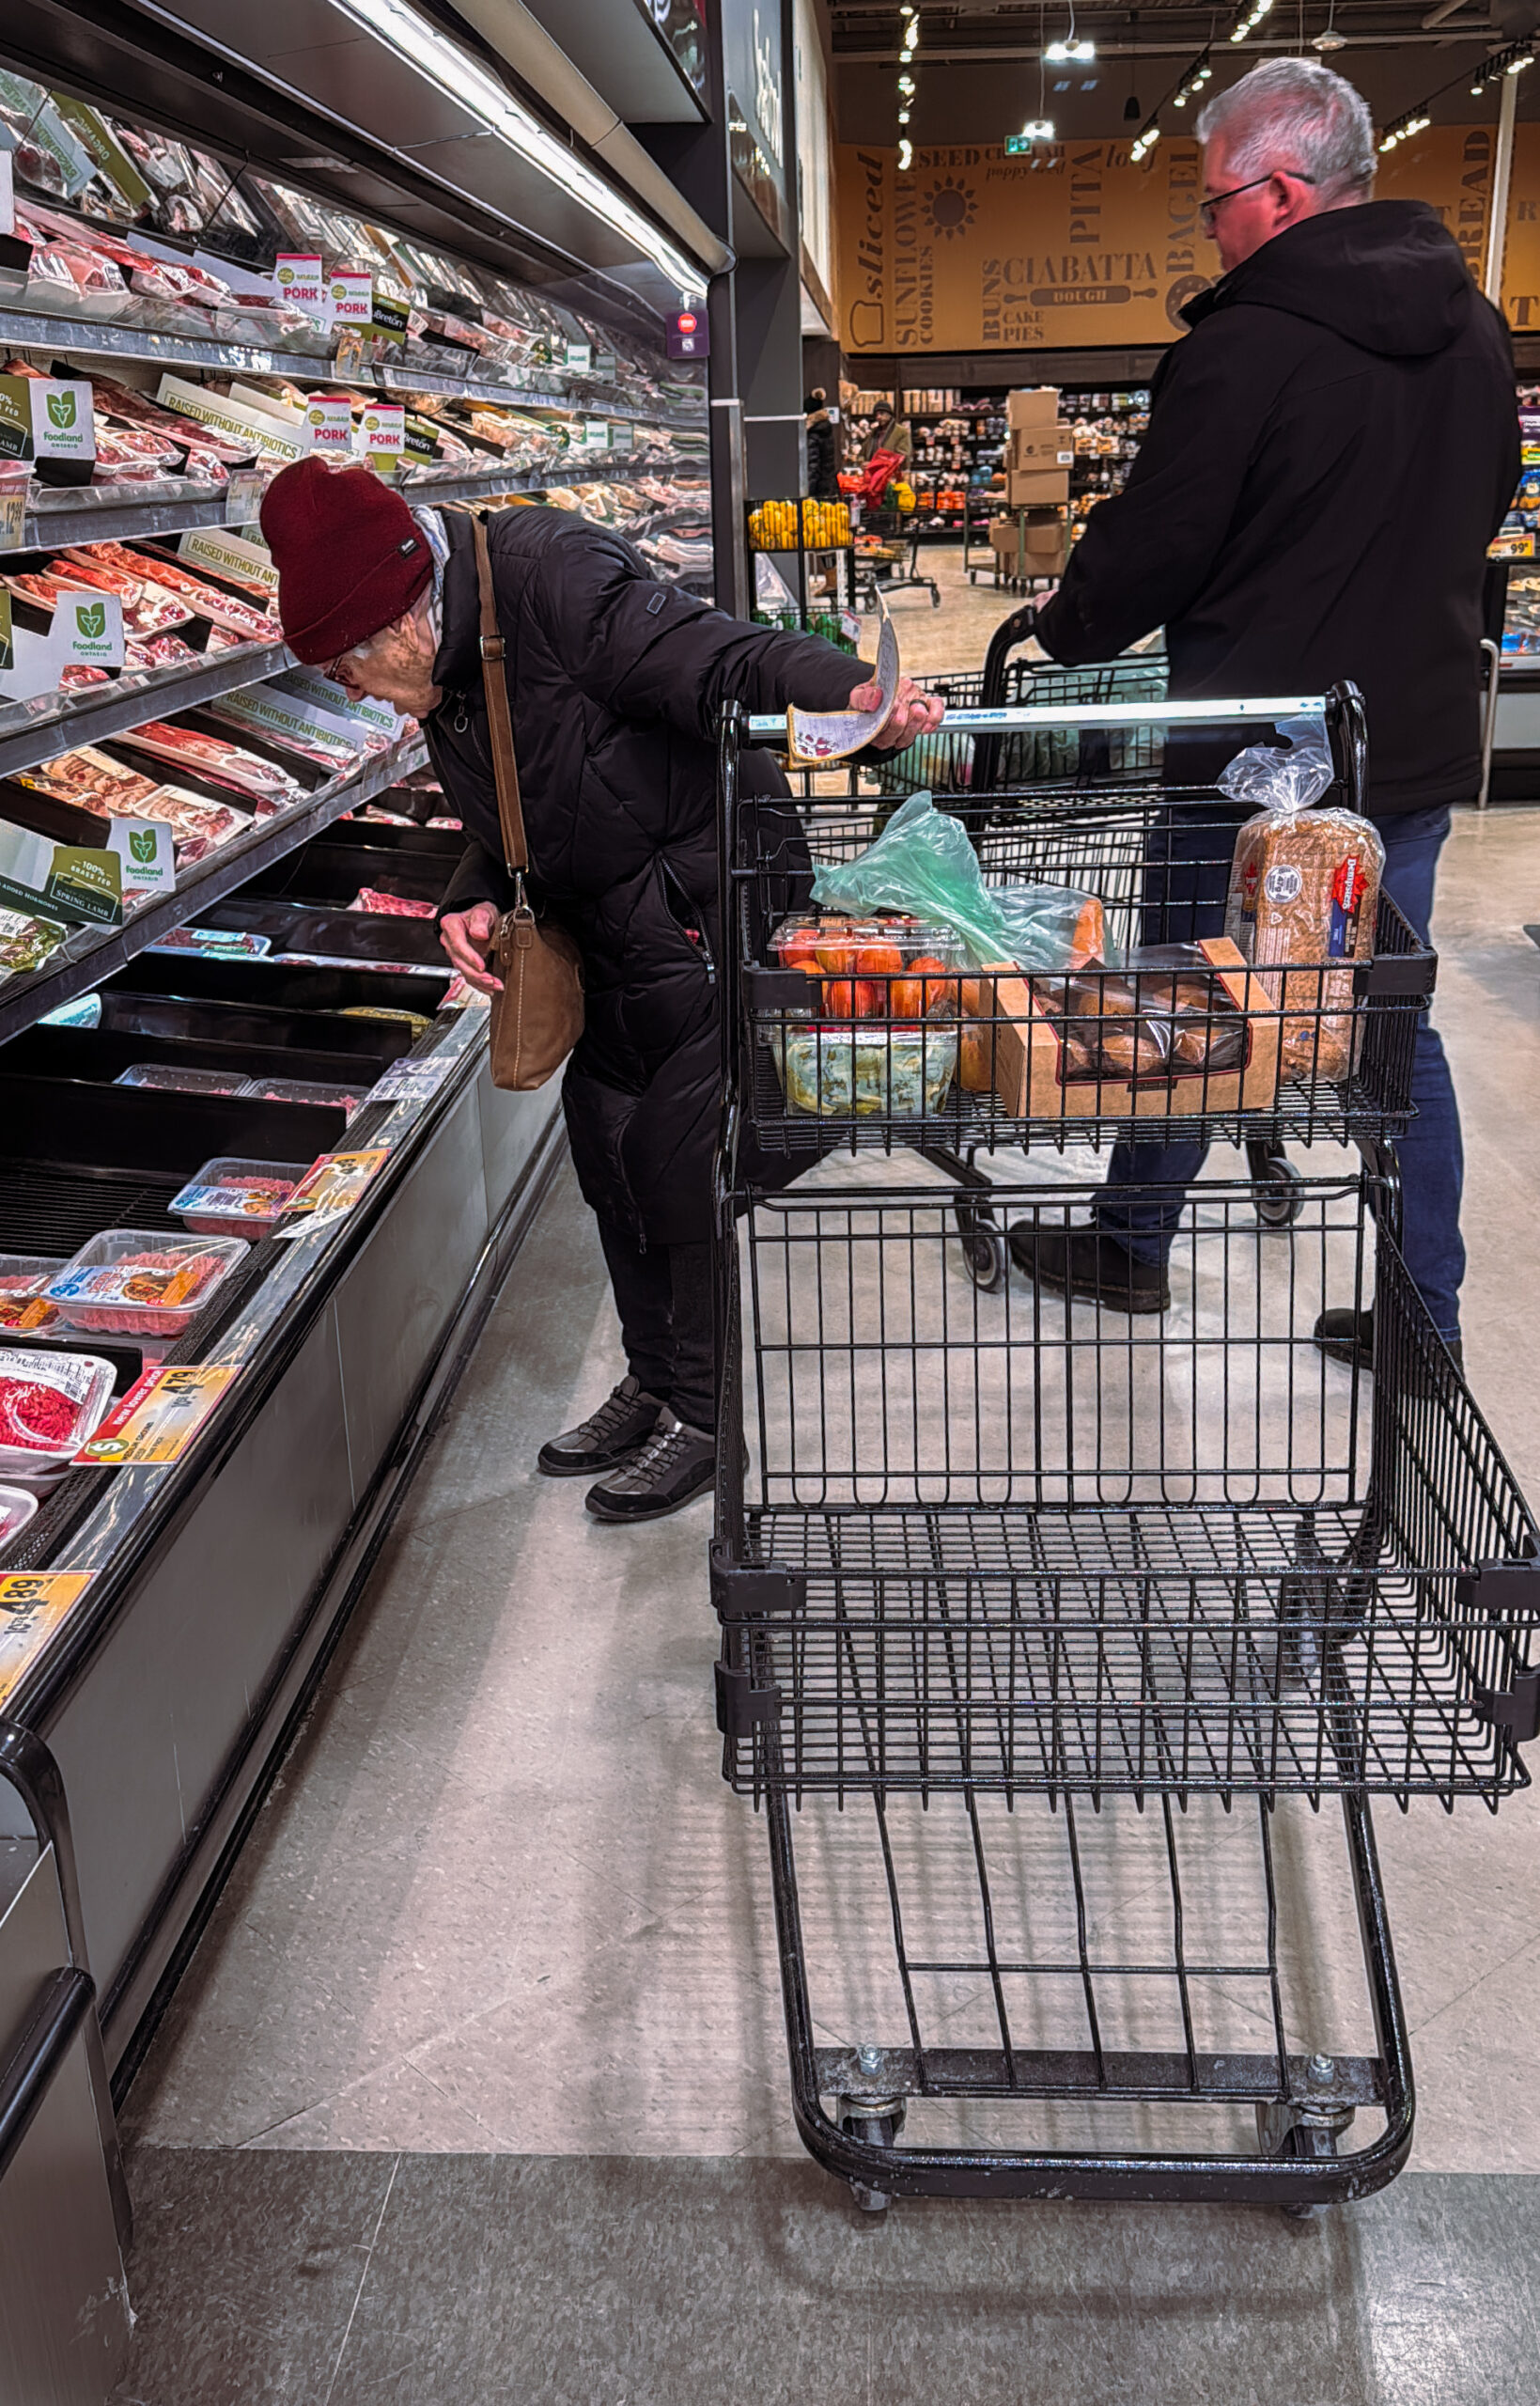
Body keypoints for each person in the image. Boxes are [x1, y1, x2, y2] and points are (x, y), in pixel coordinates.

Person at [260, 461, 940, 1521]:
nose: (348, 687)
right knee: (607, 1146)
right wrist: (472, 889)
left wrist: (846, 691)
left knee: (677, 1159)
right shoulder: (440, 648)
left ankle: (709, 1421)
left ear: (397, 612)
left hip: (705, 897)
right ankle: (656, 1382)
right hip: (601, 922)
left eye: (347, 662)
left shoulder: (554, 577)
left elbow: (716, 656)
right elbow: (517, 791)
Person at [1027, 56, 1519, 1374]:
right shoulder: (1474, 330)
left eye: (1211, 203)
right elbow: (1484, 509)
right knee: (1386, 1028)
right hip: (1395, 751)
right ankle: (1423, 1320)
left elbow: (1160, 542)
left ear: (1281, 192)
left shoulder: (1241, 345)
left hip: (1243, 756)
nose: (1208, 227)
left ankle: (1131, 1242)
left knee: (1189, 994)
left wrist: (1061, 626)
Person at [804, 388, 839, 500]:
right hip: (828, 485)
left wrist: (808, 492)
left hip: (818, 490)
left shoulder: (814, 433)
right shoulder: (825, 429)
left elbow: (812, 466)